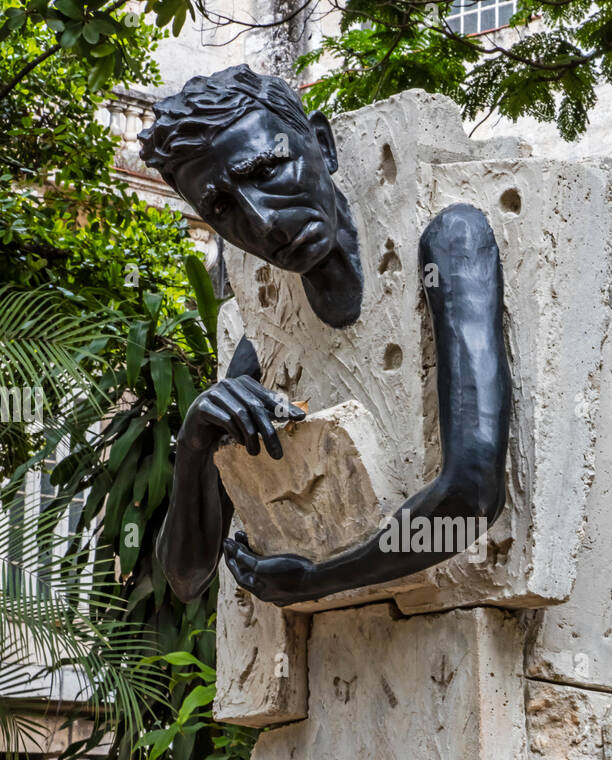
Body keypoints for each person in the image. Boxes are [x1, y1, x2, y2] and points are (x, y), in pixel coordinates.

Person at [140, 65, 510, 608]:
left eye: (267, 169)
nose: (264, 222)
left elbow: (473, 495)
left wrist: (319, 579)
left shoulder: (449, 242)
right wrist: (194, 441)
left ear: (322, 144)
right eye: (220, 208)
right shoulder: (265, 339)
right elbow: (187, 576)